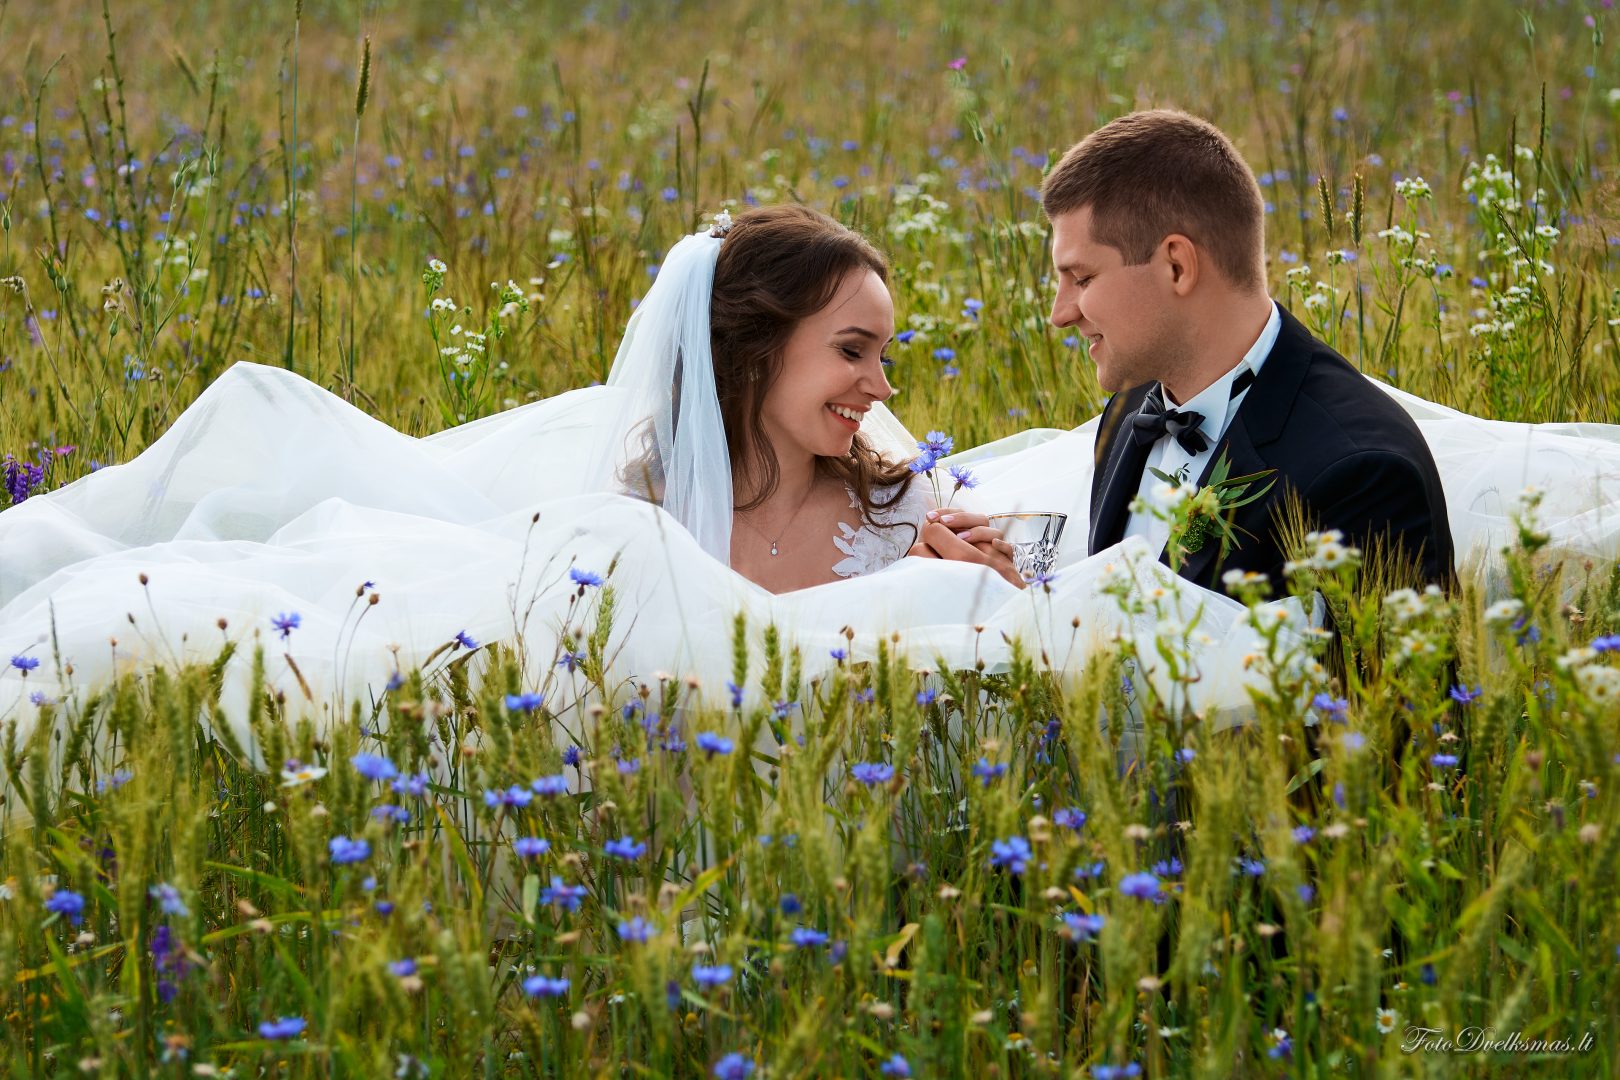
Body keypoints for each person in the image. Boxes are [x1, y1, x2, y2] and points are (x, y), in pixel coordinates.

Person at [1041, 109, 1454, 597]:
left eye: (1083, 278)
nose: (1060, 313)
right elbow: (1110, 620)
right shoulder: (1132, 408)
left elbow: (1388, 674)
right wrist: (1028, 601)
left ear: (1176, 265)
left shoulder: (1362, 474)